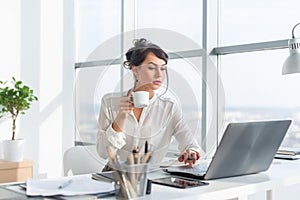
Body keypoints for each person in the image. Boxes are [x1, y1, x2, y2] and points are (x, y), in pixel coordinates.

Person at [96, 38, 202, 171]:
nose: (159, 75)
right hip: (115, 177)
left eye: (163, 69)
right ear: (135, 70)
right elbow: (103, 152)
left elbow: (190, 143)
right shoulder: (110, 103)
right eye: (152, 68)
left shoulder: (169, 107)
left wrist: (191, 152)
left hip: (152, 178)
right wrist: (121, 117)